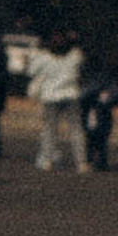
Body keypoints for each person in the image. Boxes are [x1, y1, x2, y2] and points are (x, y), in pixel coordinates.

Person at [29, 36, 87, 171]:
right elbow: (81, 68)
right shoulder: (75, 56)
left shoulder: (44, 57)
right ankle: (81, 162)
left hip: (51, 96)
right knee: (76, 129)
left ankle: (47, 160)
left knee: (50, 130)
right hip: (71, 94)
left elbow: (32, 71)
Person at [81, 63, 118, 171]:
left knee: (97, 137)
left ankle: (97, 160)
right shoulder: (103, 79)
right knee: (94, 137)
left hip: (98, 110)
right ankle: (96, 160)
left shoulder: (93, 78)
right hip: (94, 109)